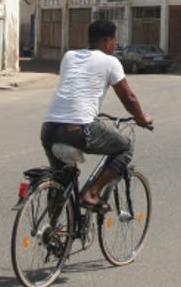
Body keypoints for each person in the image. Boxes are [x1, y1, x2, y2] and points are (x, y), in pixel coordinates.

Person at [40, 19, 153, 212]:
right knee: (125, 147)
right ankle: (92, 194)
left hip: (49, 127)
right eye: (114, 40)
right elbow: (129, 98)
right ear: (107, 40)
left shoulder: (69, 56)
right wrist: (142, 118)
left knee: (62, 179)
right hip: (79, 127)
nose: (115, 45)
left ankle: (54, 232)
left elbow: (75, 88)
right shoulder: (110, 62)